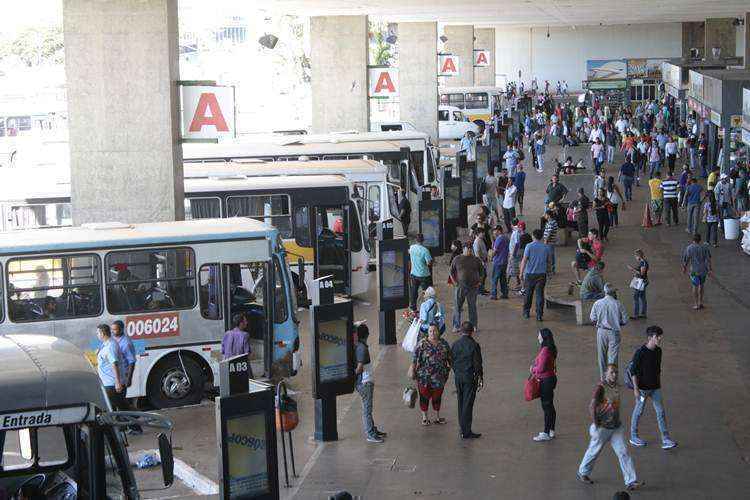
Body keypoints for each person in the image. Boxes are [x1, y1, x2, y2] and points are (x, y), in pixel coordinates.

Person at [577, 364, 643, 491]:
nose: (614, 375)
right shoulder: (601, 388)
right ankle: (583, 472)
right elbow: (592, 406)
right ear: (605, 373)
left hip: (616, 427)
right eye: (612, 372)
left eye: (616, 372)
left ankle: (631, 481)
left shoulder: (616, 386)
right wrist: (596, 424)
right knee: (594, 451)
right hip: (603, 428)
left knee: (623, 452)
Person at [629, 325, 678, 450]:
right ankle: (633, 436)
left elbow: (657, 370)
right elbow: (633, 371)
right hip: (642, 390)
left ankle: (665, 439)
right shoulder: (640, 352)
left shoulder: (658, 351)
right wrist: (636, 389)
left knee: (660, 412)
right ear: (650, 337)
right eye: (657, 336)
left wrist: (658, 384)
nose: (660, 338)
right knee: (638, 411)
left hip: (655, 388)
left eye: (660, 336)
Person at [411, 323, 452, 426]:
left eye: (434, 331)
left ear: (438, 332)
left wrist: (449, 368)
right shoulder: (422, 344)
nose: (432, 333)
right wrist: (412, 370)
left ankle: (437, 417)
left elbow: (450, 357)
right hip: (424, 378)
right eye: (430, 331)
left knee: (437, 397)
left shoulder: (444, 344)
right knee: (424, 397)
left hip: (439, 378)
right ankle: (425, 417)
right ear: (427, 332)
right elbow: (414, 358)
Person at [451, 321, 483, 439]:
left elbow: (452, 361)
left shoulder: (455, 344)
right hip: (470, 378)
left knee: (461, 401)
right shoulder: (474, 345)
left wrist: (457, 371)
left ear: (461, 330)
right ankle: (466, 431)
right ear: (472, 331)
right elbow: (478, 364)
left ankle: (462, 428)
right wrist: (480, 377)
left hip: (458, 377)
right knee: (468, 404)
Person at [354, 324, 386, 443]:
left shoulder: (359, 346)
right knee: (367, 410)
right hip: (365, 382)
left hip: (365, 382)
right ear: (367, 335)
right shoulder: (362, 348)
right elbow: (359, 368)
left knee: (368, 408)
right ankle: (370, 434)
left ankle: (372, 429)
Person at [590, 284, 628, 380]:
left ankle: (603, 378)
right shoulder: (618, 304)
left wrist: (599, 323)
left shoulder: (597, 303)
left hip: (601, 331)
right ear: (613, 293)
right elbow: (625, 320)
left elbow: (592, 319)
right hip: (614, 332)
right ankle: (612, 378)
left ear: (605, 292)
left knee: (601, 355)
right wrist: (617, 323)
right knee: (613, 357)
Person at [111, 320, 143, 434]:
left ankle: (135, 427)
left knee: (122, 405)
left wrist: (129, 379)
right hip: (115, 378)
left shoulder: (126, 343)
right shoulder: (113, 340)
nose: (113, 331)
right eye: (112, 329)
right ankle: (125, 427)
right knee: (119, 404)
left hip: (122, 378)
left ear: (121, 329)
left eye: (115, 329)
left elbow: (132, 362)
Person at [520, 229, 554, 321]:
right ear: (542, 236)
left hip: (530, 274)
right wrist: (550, 273)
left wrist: (521, 273)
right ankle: (539, 315)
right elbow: (549, 262)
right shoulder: (546, 247)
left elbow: (524, 260)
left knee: (528, 294)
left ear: (533, 236)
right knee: (540, 295)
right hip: (542, 274)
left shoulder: (529, 246)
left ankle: (526, 312)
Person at [450, 244, 484, 333]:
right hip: (460, 286)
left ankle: (473, 325)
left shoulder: (476, 260)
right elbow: (451, 272)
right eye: (467, 248)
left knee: (472, 306)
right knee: (457, 306)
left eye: (470, 249)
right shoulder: (457, 259)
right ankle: (456, 325)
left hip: (473, 287)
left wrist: (479, 281)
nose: (469, 250)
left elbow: (482, 271)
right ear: (463, 249)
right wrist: (455, 282)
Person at [530, 328, 558, 442]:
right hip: (551, 379)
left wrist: (533, 369)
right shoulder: (551, 349)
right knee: (550, 406)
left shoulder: (545, 350)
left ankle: (545, 432)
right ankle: (551, 429)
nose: (538, 337)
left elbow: (541, 368)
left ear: (544, 337)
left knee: (546, 406)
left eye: (539, 335)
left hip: (545, 381)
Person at [96, 324, 127, 416]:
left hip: (112, 384)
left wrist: (117, 382)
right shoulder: (106, 344)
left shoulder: (110, 346)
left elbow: (114, 363)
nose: (97, 335)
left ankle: (137, 427)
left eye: (97, 333)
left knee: (122, 407)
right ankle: (123, 429)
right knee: (113, 409)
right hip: (108, 383)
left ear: (102, 333)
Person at [681, 233, 712, 310]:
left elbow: (686, 259)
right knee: (701, 286)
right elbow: (708, 259)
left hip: (694, 271)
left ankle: (695, 303)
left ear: (693, 240)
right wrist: (710, 268)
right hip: (703, 270)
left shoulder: (689, 248)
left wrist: (684, 268)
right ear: (700, 240)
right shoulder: (705, 247)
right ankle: (700, 302)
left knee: (695, 286)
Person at [408, 233, 433, 312]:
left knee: (414, 291)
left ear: (416, 240)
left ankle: (413, 308)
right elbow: (429, 262)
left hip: (414, 273)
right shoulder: (425, 250)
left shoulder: (412, 248)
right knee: (427, 292)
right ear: (423, 240)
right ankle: (427, 308)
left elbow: (408, 252)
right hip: (424, 275)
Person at [490, 225, 510, 300]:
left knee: (494, 278)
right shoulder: (506, 238)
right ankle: (505, 293)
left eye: (495, 231)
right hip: (504, 261)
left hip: (498, 261)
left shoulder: (499, 239)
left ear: (498, 231)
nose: (494, 232)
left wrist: (491, 257)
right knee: (503, 278)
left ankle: (493, 294)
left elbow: (495, 251)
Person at [507, 220, 527, 292]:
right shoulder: (522, 233)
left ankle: (508, 284)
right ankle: (519, 284)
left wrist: (513, 254)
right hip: (519, 253)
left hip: (515, 253)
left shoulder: (516, 233)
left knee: (511, 269)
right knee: (516, 269)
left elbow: (517, 244)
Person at [628, 249, 649, 320]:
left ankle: (635, 315)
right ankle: (643, 313)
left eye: (635, 256)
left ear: (638, 256)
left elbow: (642, 273)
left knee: (635, 297)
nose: (635, 258)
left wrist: (632, 270)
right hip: (643, 281)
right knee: (643, 297)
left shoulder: (643, 263)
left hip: (641, 282)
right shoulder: (643, 262)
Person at [472, 230, 489, 294]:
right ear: (478, 233)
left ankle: (482, 289)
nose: (483, 234)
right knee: (481, 276)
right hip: (480, 261)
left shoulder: (481, 240)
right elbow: (477, 253)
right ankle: (479, 290)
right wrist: (481, 260)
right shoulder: (477, 241)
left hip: (482, 260)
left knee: (484, 275)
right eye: (482, 232)